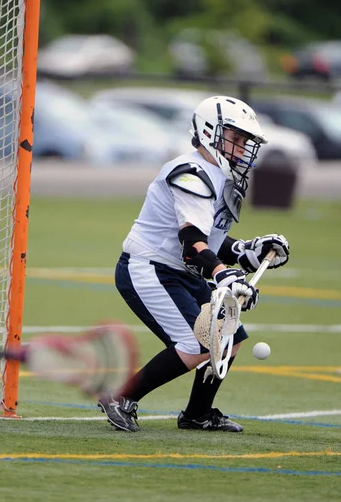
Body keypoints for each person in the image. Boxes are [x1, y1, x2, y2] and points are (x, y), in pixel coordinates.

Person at [98, 95, 290, 433]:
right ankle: (120, 397)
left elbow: (211, 242)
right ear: (209, 131)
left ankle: (197, 414)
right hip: (150, 267)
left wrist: (248, 251)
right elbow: (191, 244)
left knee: (231, 336)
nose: (242, 147)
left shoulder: (221, 177)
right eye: (235, 137)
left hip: (180, 271)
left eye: (246, 141)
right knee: (199, 342)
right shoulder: (191, 173)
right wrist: (223, 275)